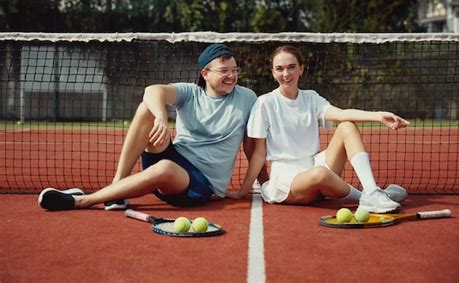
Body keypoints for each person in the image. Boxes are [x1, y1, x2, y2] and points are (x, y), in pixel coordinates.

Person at [38, 43, 265, 211]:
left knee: (165, 167)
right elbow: (152, 90)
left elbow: (252, 147)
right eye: (224, 70)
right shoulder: (190, 92)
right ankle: (117, 188)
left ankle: (82, 201)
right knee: (146, 108)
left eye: (234, 70)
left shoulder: (247, 98)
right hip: (174, 156)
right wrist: (160, 116)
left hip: (199, 183)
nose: (232, 76)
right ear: (205, 73)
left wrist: (254, 187)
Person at [227, 45, 409, 213]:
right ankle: (369, 197)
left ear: (301, 69)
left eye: (291, 67)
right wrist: (243, 191)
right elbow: (258, 154)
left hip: (314, 164)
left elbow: (341, 114)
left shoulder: (311, 97)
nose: (286, 73)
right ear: (273, 72)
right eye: (280, 68)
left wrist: (378, 116)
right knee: (320, 174)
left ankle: (372, 192)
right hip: (287, 181)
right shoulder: (264, 103)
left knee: (347, 126)